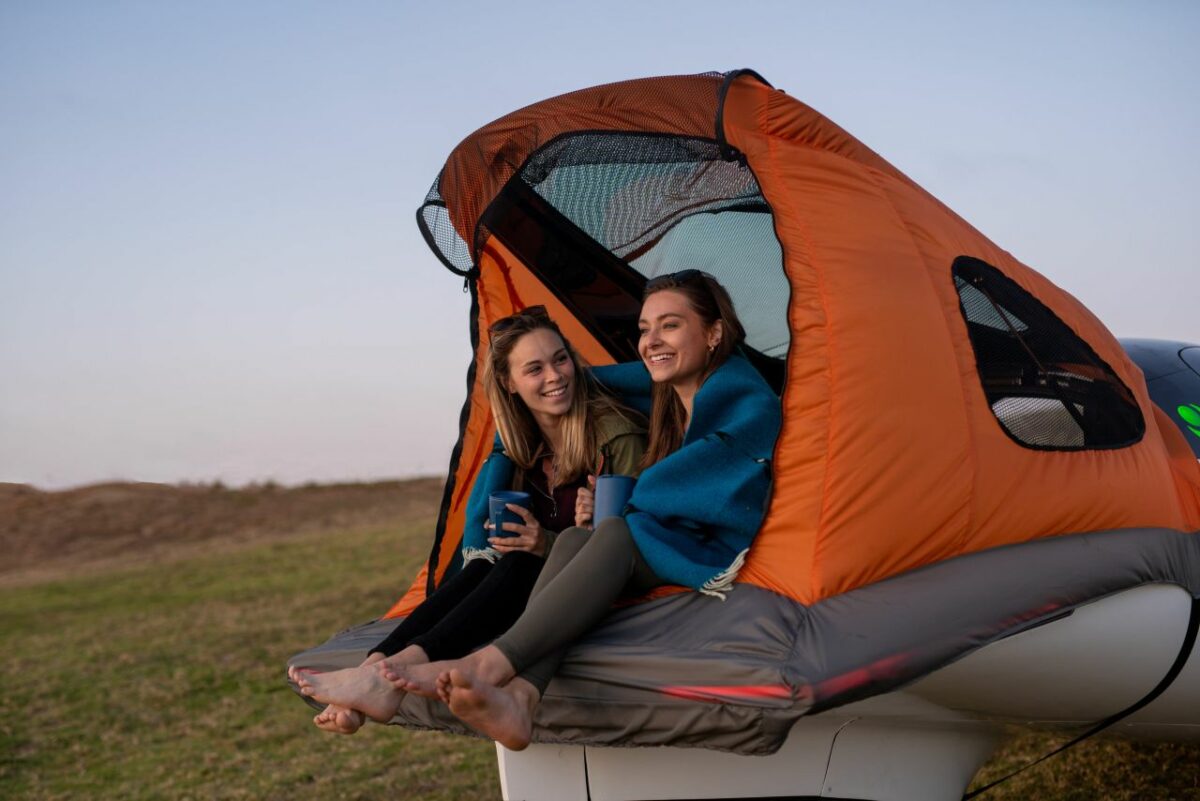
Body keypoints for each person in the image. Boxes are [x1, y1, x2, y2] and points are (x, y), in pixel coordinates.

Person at [383, 270, 781, 751]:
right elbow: (663, 496)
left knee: (611, 535)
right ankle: (523, 698)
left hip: (726, 546)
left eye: (670, 325)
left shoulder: (741, 400)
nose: (651, 341)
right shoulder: (674, 403)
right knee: (576, 539)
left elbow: (710, 490)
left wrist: (628, 502)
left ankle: (487, 666)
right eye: (644, 329)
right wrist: (606, 513)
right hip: (663, 536)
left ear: (714, 332)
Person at [291, 305, 646, 733]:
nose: (555, 376)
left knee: (517, 563)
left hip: (587, 580)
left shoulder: (613, 435)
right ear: (508, 384)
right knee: (485, 564)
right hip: (532, 574)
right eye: (534, 369)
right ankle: (376, 671)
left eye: (560, 359)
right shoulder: (520, 449)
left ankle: (381, 680)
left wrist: (544, 544)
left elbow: (627, 542)